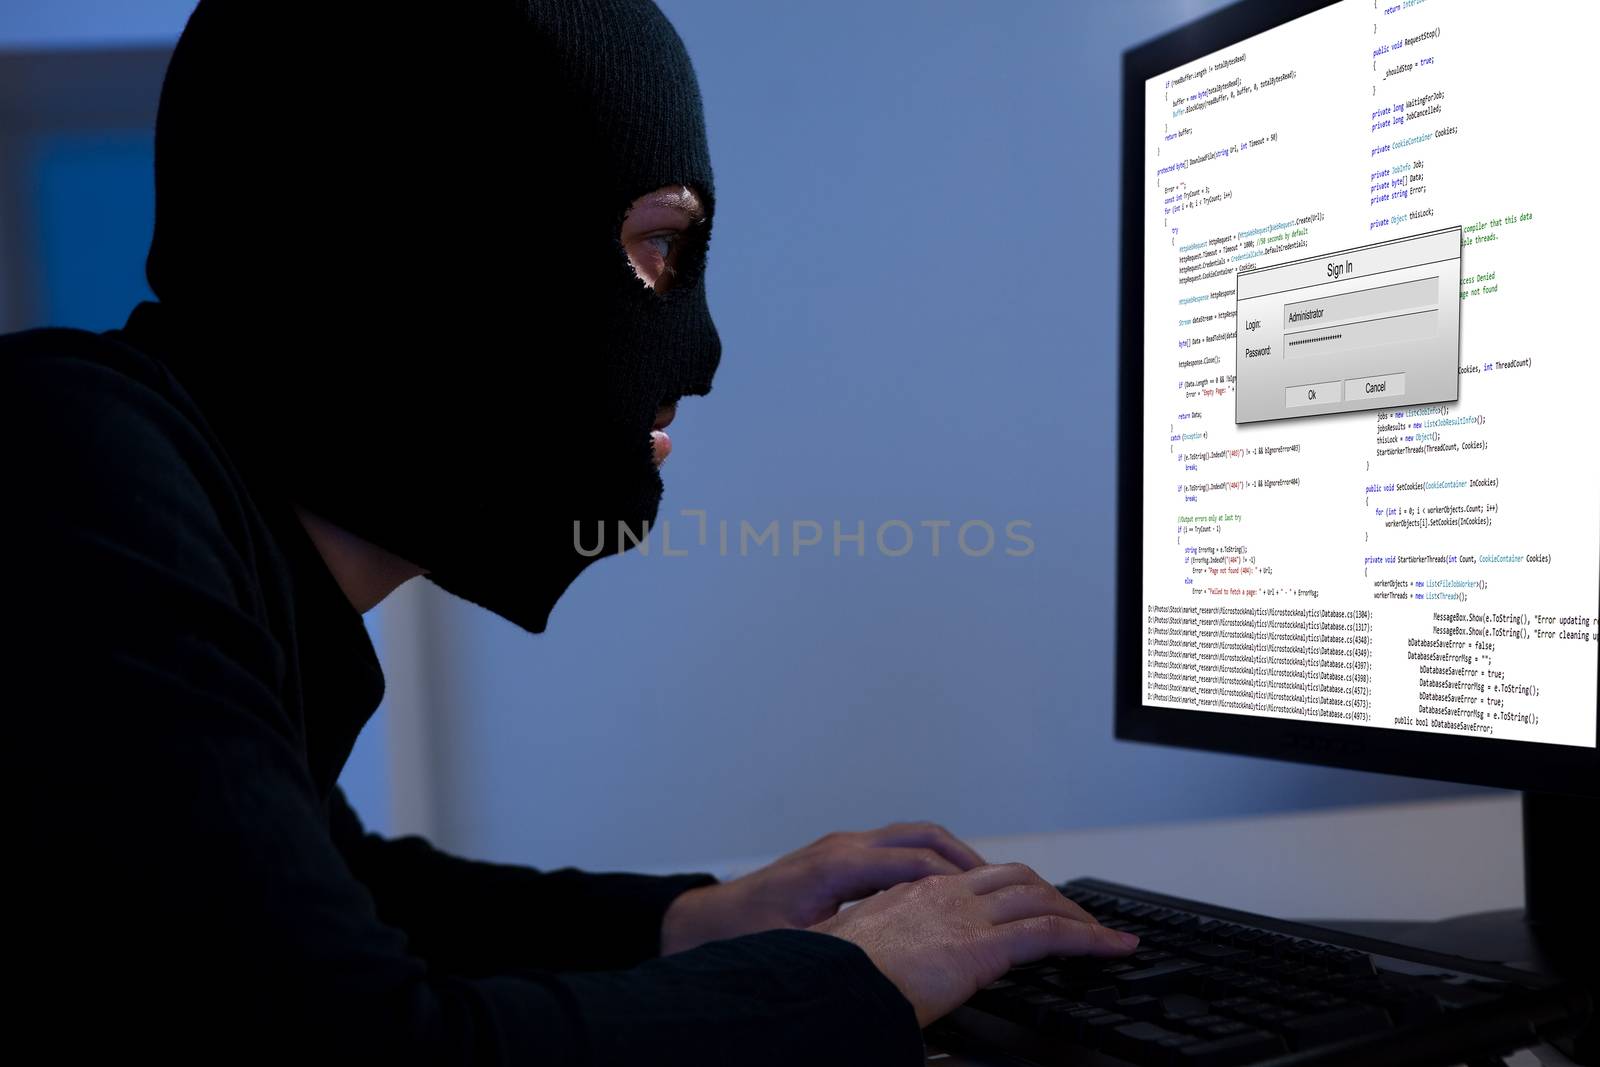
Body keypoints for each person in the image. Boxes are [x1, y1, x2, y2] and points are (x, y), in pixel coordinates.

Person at [5, 1, 1136, 1062]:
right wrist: (852, 979)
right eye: (653, 247)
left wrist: (696, 919)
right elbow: (358, 1035)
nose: (696, 353)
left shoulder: (165, 496)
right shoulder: (71, 477)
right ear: (427, 256)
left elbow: (341, 895)